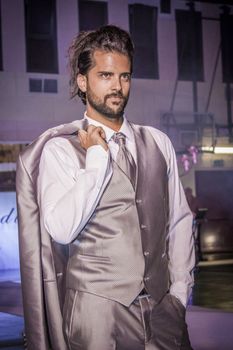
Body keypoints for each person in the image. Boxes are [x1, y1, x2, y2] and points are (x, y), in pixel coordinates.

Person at [16, 25, 195, 350]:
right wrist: (97, 156)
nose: (117, 86)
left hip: (162, 313)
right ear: (83, 81)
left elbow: (180, 223)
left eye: (125, 76)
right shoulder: (60, 150)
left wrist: (180, 294)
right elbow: (62, 229)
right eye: (106, 75)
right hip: (96, 318)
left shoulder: (158, 142)